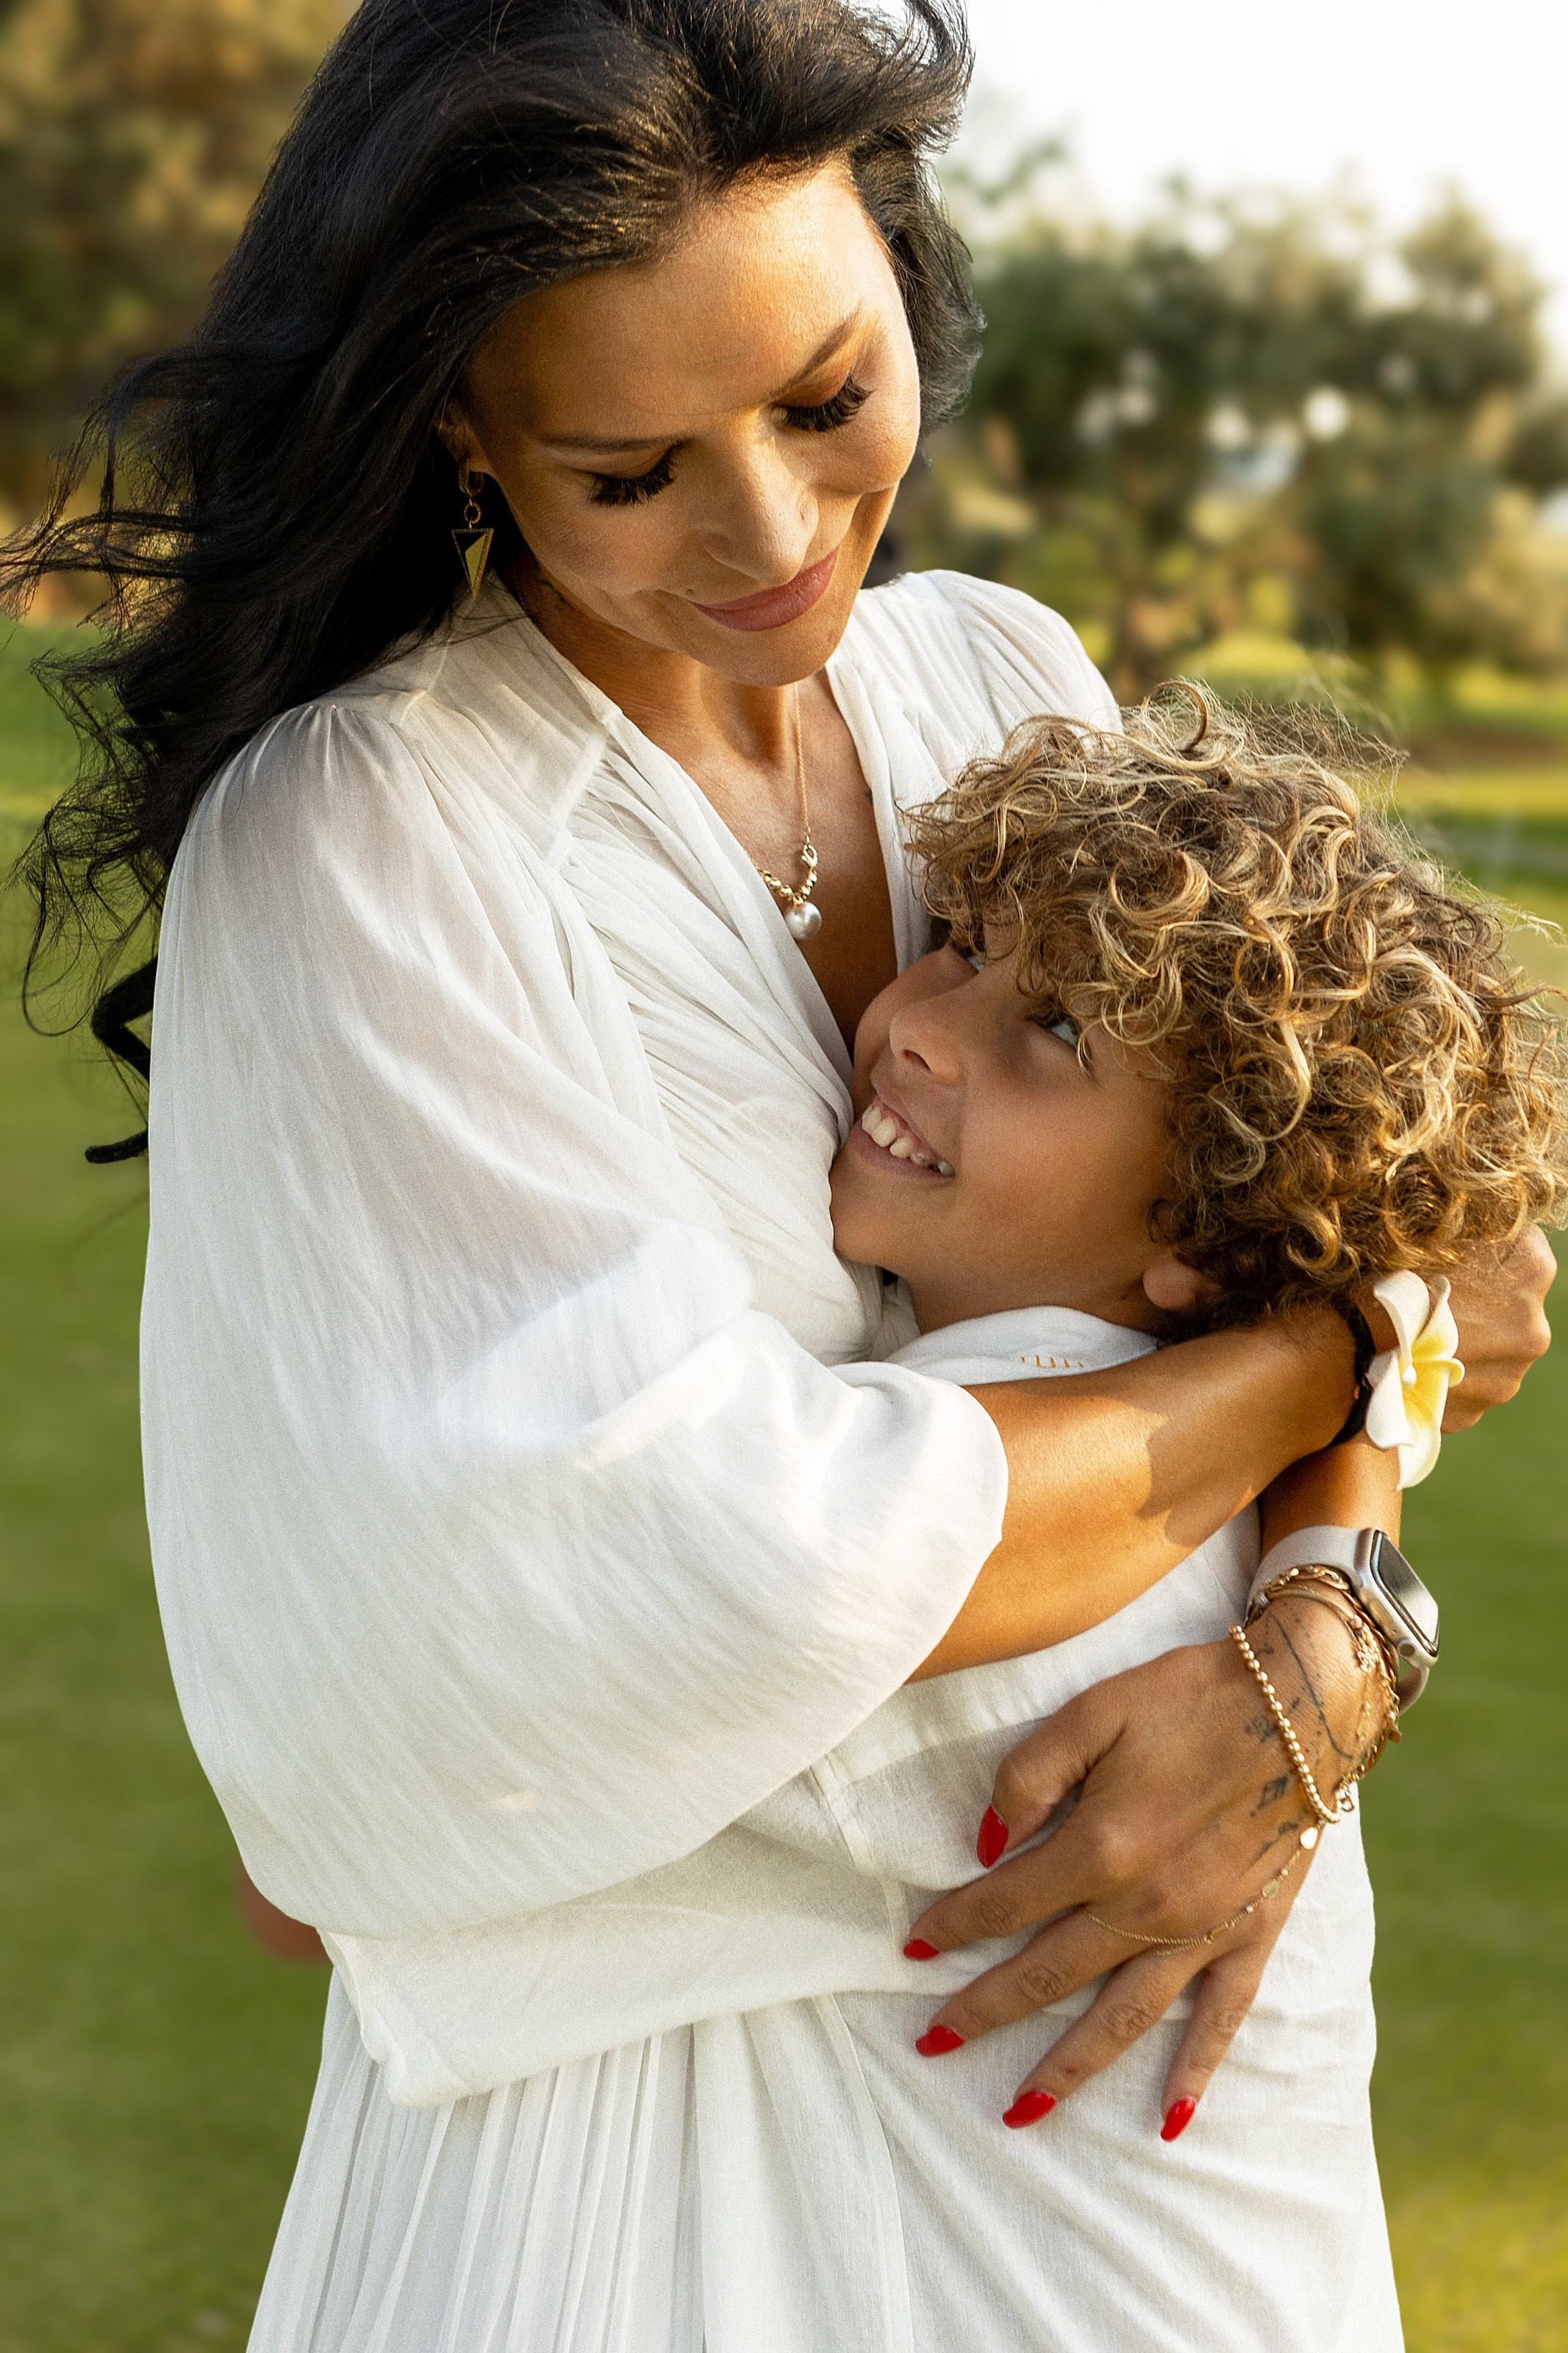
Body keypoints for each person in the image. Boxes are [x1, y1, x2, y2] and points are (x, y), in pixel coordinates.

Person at [3, 3, 1553, 2347]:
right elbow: (657, 1565)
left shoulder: (999, 678)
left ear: (903, 277)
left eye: (827, 398)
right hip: (620, 2182)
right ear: (462, 428)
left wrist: (1332, 1631)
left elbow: (1360, 1211)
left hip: (1120, 2139)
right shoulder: (373, 840)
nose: (768, 533)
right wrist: (1322, 1363)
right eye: (629, 470)